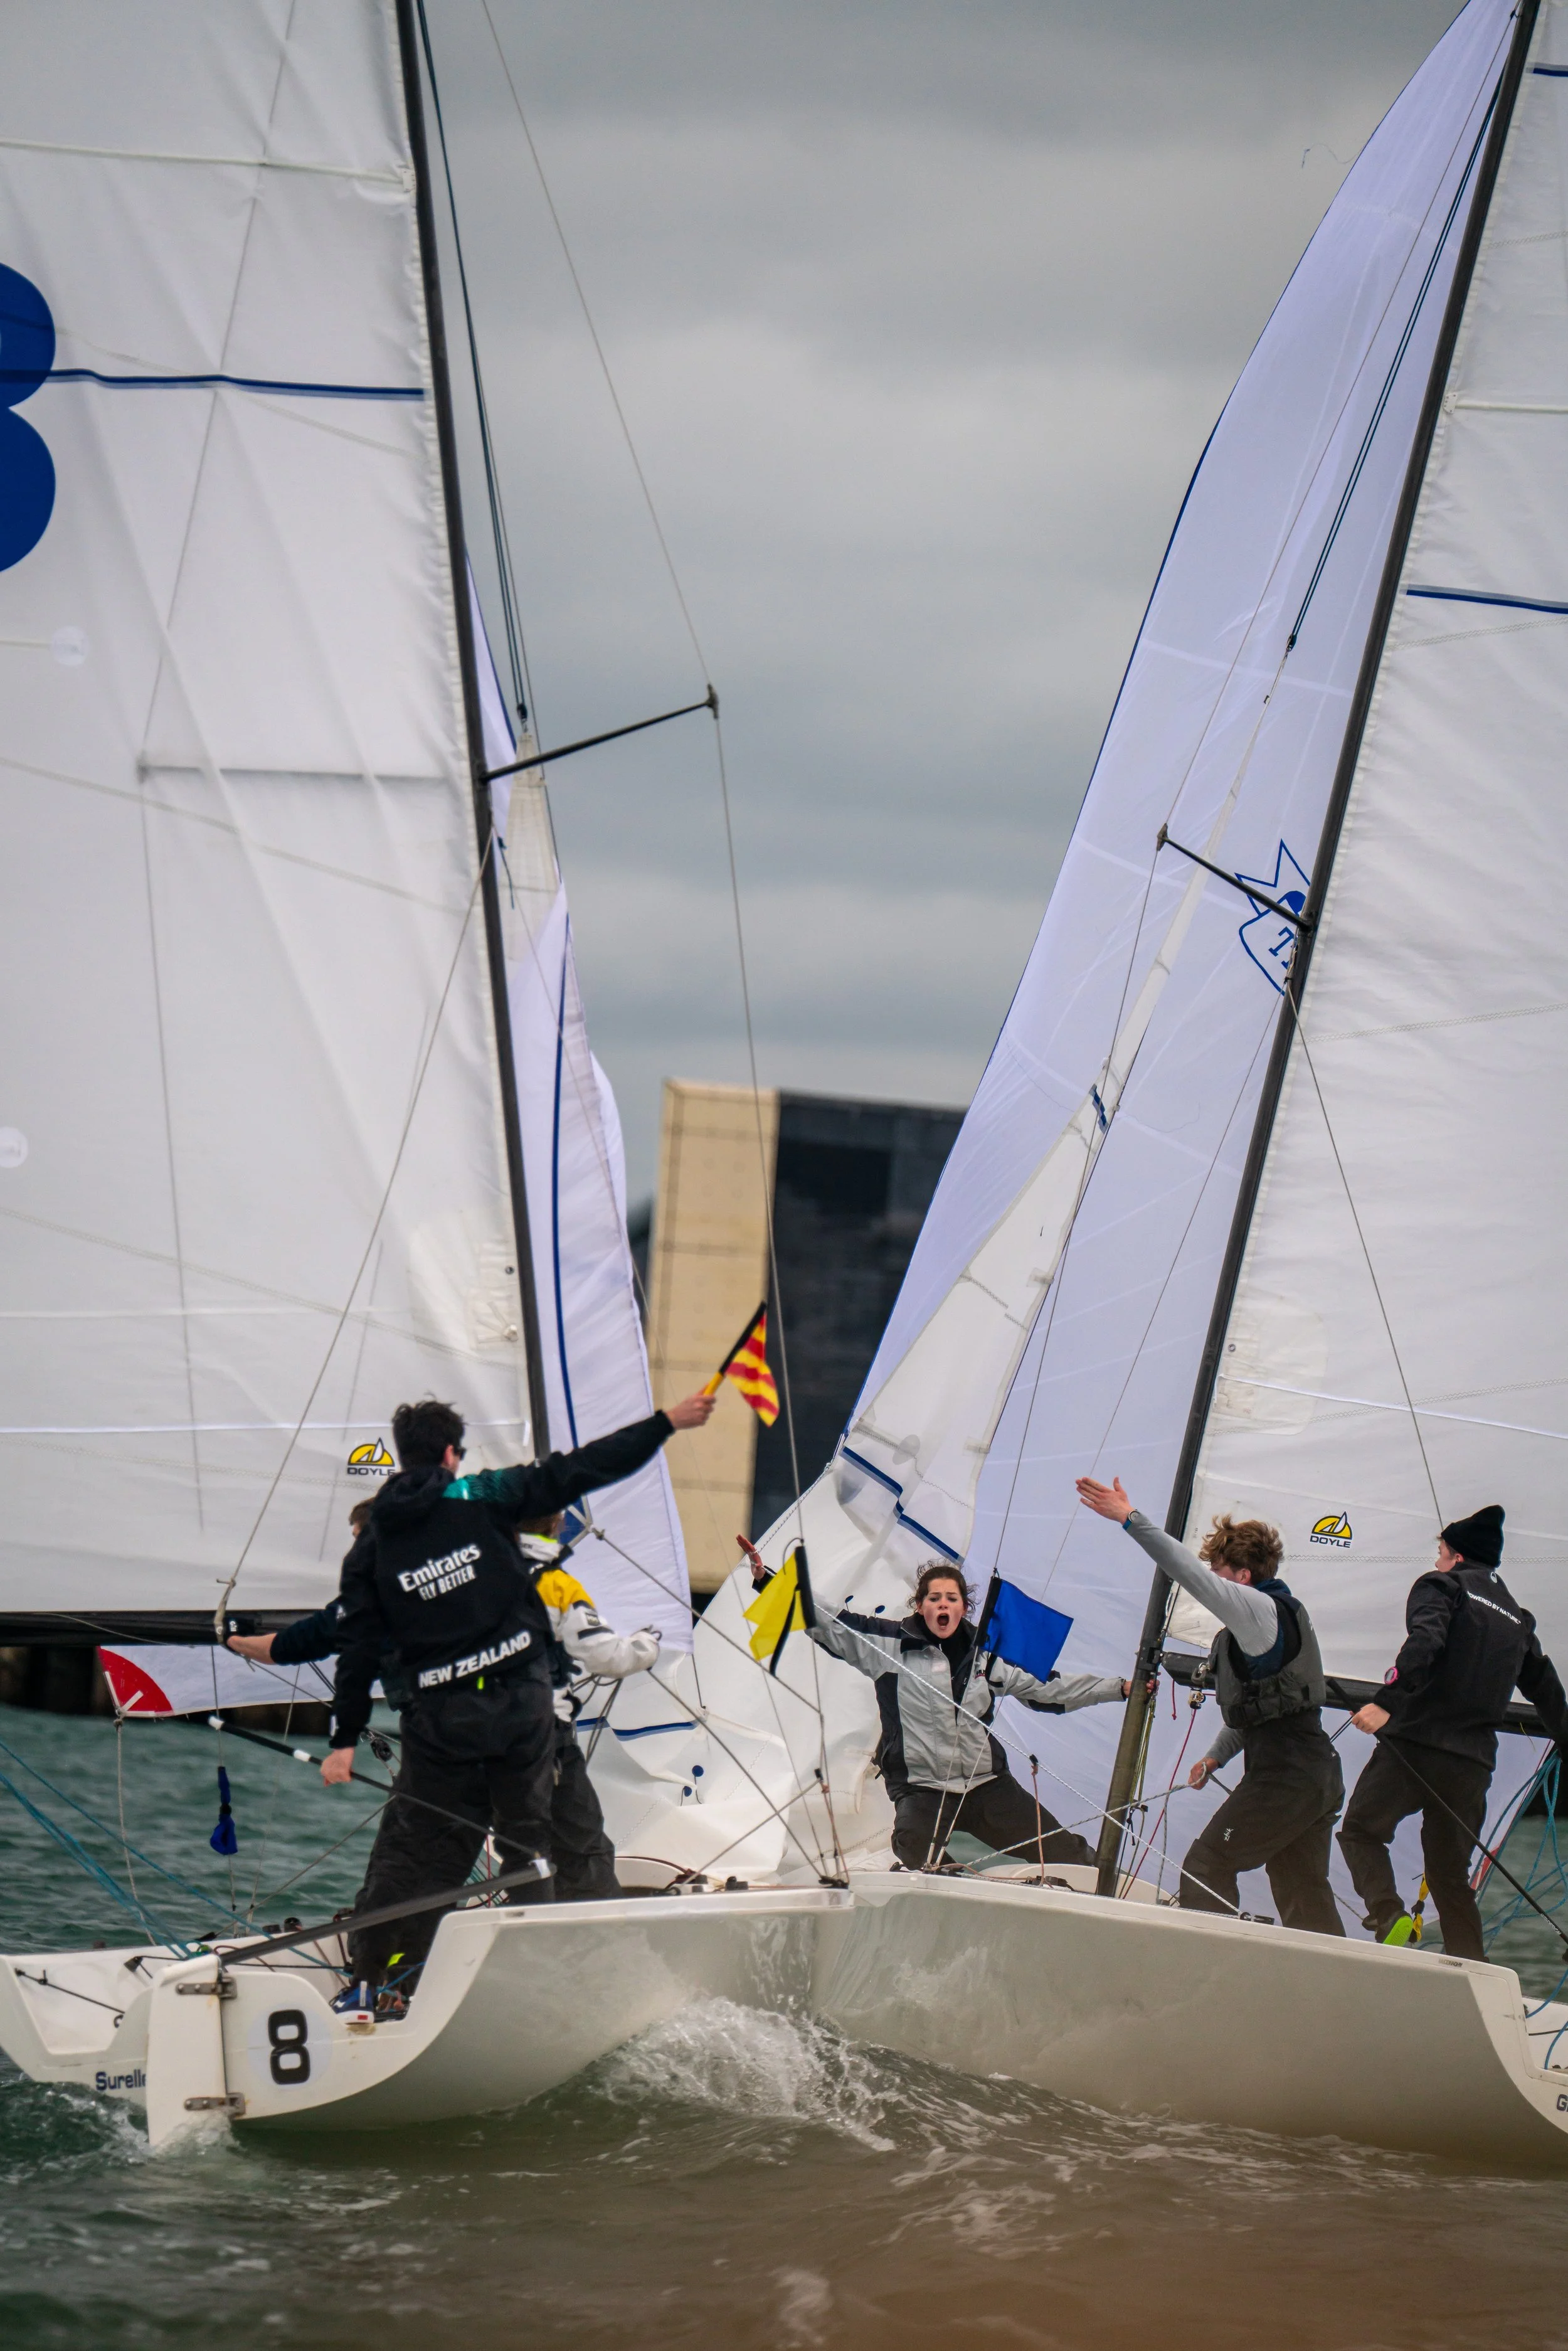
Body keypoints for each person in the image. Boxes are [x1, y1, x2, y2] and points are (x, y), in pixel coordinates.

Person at [321, 1388, 714, 2000]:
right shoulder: (482, 1495)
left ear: (403, 1457)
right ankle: (559, 1976)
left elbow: (358, 1644)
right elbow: (579, 1467)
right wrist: (666, 1422)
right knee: (531, 1846)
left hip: (440, 1718)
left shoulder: (374, 1541)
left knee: (417, 1851)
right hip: (521, 1707)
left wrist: (344, 1739)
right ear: (452, 1453)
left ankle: (378, 1977)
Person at [739, 1538, 1128, 1871]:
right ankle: (949, 1889)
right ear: (921, 1605)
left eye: (952, 1599)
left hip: (988, 1787)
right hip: (923, 1790)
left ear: (964, 1608)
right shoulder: (889, 1646)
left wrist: (1122, 1689)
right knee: (913, 1850)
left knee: (1064, 1855)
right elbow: (828, 1622)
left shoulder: (986, 1656)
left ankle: (1106, 1888)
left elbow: (1051, 1689)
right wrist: (766, 1581)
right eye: (934, 1598)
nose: (943, 1605)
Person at [1075, 1476, 1343, 1934]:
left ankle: (1213, 1969)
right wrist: (1217, 1755)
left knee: (1207, 1863)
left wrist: (1129, 1520)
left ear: (1242, 1576)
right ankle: (1341, 1988)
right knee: (1301, 1891)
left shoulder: (1259, 1610)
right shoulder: (1260, 1627)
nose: (1213, 1584)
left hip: (1290, 1777)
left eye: (1220, 1572)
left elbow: (1189, 1574)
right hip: (1311, 1775)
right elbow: (1265, 1712)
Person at [1339, 1504, 1568, 1960]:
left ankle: (1389, 1916)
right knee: (1448, 1875)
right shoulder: (1517, 1619)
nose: (1438, 1560)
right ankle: (1473, 1970)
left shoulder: (1441, 1586)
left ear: (1457, 1556)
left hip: (1415, 1747)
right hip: (1473, 1764)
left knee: (1362, 1833)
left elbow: (1426, 1642)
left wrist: (1386, 1703)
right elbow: (1546, 1687)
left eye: (1441, 1552)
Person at [515, 1511, 660, 1900]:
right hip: (540, 1736)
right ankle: (590, 1947)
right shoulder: (554, 1584)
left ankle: (399, 1946)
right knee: (581, 1850)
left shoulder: (471, 1573)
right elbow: (608, 1657)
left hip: (459, 1732)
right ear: (559, 1522)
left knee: (471, 1850)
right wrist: (647, 1646)